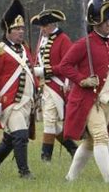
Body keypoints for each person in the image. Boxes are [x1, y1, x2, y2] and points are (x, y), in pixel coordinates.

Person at [62, 0, 109, 184]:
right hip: (89, 100)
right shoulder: (84, 44)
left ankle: (70, 178)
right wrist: (81, 79)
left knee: (91, 142)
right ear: (96, 24)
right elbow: (64, 66)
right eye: (107, 21)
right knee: (101, 136)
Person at [0, 0, 37, 179]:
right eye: (17, 29)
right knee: (20, 136)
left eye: (22, 28)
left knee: (10, 139)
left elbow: (30, 71)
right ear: (8, 30)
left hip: (26, 101)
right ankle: (24, 172)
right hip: (9, 102)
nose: (21, 31)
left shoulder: (25, 48)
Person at [31, 8, 77, 161]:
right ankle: (73, 149)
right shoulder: (43, 39)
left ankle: (46, 158)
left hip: (57, 86)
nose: (42, 29)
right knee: (53, 125)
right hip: (44, 86)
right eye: (41, 26)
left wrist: (43, 71)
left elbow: (68, 65)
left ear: (52, 24)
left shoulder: (63, 39)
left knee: (50, 121)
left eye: (44, 26)